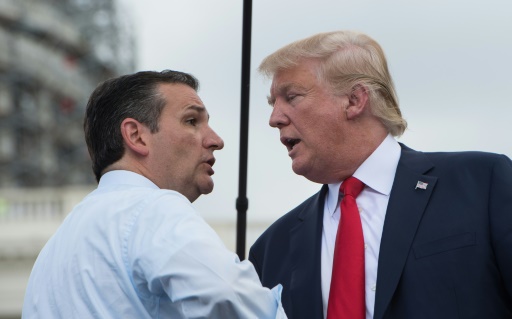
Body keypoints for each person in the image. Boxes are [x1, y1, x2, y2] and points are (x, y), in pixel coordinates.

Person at [248, 30, 512, 319]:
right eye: (273, 103)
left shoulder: (482, 184)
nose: (274, 118)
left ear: (354, 100)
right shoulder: (272, 247)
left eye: (291, 97)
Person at [22, 70, 287, 319]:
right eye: (191, 121)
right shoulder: (154, 208)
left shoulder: (53, 251)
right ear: (136, 136)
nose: (216, 140)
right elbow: (228, 292)